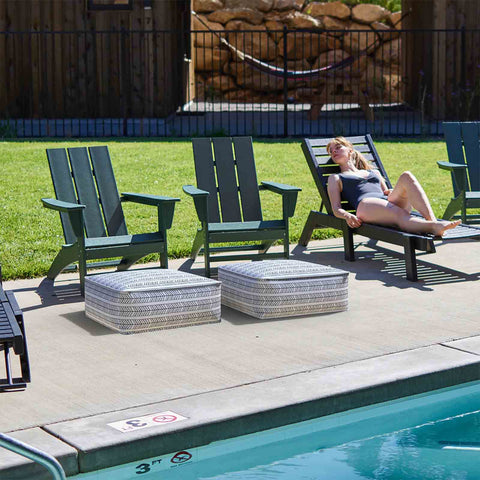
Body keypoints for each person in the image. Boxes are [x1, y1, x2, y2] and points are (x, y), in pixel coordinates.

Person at [326, 136, 461, 237]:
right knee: (399, 213)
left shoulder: (373, 172)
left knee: (406, 176)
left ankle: (433, 221)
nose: (334, 152)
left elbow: (385, 192)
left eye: (338, 148)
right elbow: (336, 208)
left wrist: (390, 191)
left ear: (350, 150)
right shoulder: (336, 178)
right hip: (366, 205)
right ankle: (433, 227)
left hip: (386, 202)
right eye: (331, 151)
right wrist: (348, 216)